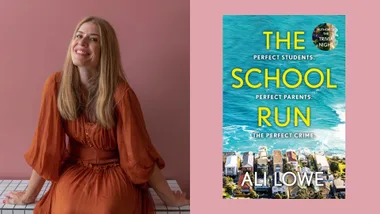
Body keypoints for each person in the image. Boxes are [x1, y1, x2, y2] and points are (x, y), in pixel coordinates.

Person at [3, 16, 190, 213]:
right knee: (66, 207)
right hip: (73, 170)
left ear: (105, 50)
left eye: (93, 39)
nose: (82, 43)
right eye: (79, 35)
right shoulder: (55, 86)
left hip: (115, 173)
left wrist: (170, 199)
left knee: (107, 208)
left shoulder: (121, 94)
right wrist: (28, 196)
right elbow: (46, 149)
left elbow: (139, 154)